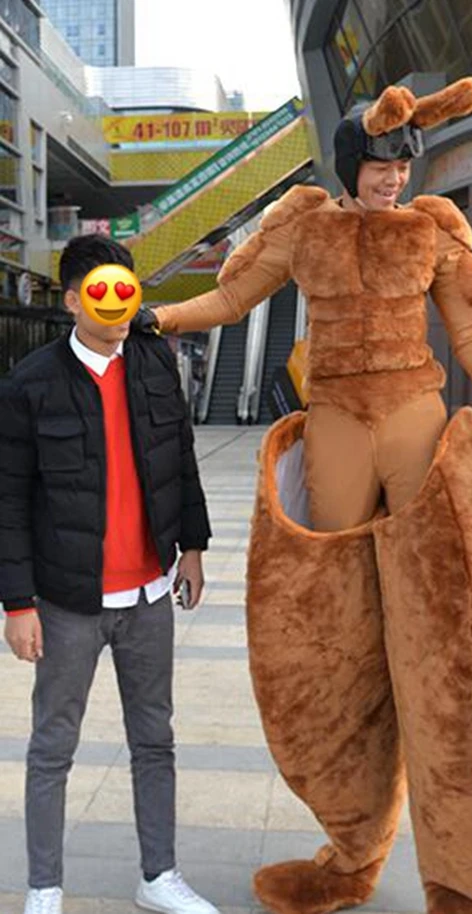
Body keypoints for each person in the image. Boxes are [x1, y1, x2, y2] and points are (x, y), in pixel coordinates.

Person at [133, 78, 472, 914]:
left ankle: (465, 881)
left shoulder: (434, 233)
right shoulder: (304, 228)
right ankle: (350, 852)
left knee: (441, 650)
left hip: (413, 422)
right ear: (350, 162)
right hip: (333, 426)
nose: (393, 178)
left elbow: (471, 332)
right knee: (337, 639)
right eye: (380, 162)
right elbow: (231, 297)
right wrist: (163, 317)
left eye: (403, 163)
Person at [0, 235, 217, 914]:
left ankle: (159, 876)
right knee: (52, 747)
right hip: (69, 603)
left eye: (127, 287)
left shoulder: (154, 362)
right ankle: (44, 888)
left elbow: (178, 454)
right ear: (72, 301)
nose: (119, 302)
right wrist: (16, 603)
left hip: (150, 594)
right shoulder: (30, 384)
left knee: (155, 740)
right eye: (102, 290)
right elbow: (7, 498)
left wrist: (194, 546)